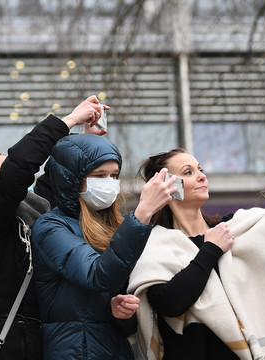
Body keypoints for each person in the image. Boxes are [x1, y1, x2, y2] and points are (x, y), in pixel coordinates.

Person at [128, 129, 265, 360]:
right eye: (188, 172)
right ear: (167, 186)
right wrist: (211, 250)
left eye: (200, 170)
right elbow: (171, 302)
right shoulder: (155, 244)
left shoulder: (233, 227)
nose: (202, 176)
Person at [0, 96, 105, 359]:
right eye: (6, 171)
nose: (26, 182)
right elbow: (20, 167)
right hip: (13, 348)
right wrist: (68, 121)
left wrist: (83, 141)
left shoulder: (31, 209)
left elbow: (53, 182)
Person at [31, 132, 176, 359]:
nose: (109, 183)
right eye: (99, 175)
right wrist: (143, 212)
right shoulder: (51, 228)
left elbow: (124, 321)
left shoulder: (114, 225)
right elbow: (98, 274)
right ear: (72, 179)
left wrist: (120, 312)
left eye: (114, 175)